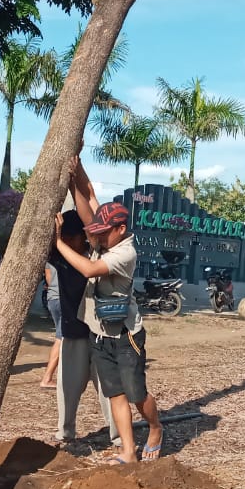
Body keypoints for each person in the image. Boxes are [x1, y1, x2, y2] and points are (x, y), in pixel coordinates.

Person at [54, 160, 163, 464]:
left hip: (126, 335)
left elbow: (89, 269)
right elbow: (89, 198)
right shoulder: (107, 237)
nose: (97, 237)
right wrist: (77, 169)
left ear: (121, 229)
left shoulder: (125, 252)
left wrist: (58, 243)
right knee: (115, 393)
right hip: (100, 333)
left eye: (104, 233)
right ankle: (128, 452)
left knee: (136, 395)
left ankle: (155, 427)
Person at [49, 210, 119, 448]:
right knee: (67, 387)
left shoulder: (100, 257)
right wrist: (55, 232)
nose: (69, 242)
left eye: (73, 237)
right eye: (64, 237)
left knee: (109, 389)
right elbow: (45, 245)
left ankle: (118, 436)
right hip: (73, 333)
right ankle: (65, 433)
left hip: (102, 334)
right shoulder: (61, 257)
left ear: (84, 235)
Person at [40, 258, 61, 388]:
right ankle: (47, 378)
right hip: (65, 300)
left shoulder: (50, 259)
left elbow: (48, 279)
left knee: (62, 335)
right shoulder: (74, 255)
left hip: (52, 299)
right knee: (61, 338)